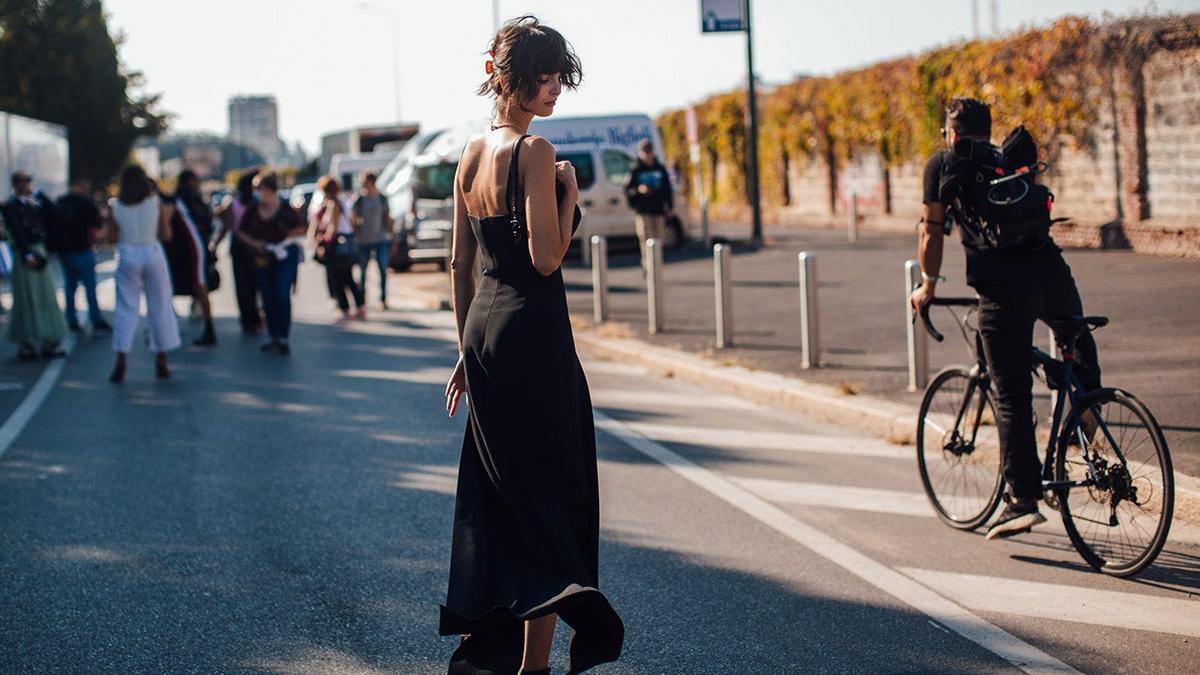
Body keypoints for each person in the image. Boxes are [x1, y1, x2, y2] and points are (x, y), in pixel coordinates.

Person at [441, 15, 623, 675]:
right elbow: (547, 258)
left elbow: (458, 263)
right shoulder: (536, 154)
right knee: (550, 497)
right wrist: (569, 197)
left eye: (558, 78)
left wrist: (465, 348)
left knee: (507, 495)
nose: (554, 90)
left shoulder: (469, 153)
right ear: (512, 78)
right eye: (545, 77)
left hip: (486, 335)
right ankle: (533, 668)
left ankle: (508, 650)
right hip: (535, 340)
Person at [910, 97, 1102, 540]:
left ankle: (1021, 499)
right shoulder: (1006, 161)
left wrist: (928, 286)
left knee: (1011, 392)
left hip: (1002, 288)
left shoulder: (942, 164)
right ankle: (1088, 408)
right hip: (1052, 272)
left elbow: (930, 231)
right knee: (1073, 341)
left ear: (952, 134)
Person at [107, 165, 181, 382]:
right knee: (160, 306)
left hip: (128, 252)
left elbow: (110, 239)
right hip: (152, 251)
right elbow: (167, 235)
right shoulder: (155, 203)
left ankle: (121, 358)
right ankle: (162, 358)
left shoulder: (115, 205)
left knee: (125, 308)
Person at [0, 171, 68, 360]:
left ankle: (49, 340)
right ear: (15, 185)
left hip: (40, 249)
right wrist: (26, 253)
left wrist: (40, 196)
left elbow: (57, 216)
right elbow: (15, 231)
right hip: (26, 253)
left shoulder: (36, 202)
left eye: (29, 182)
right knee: (27, 297)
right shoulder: (10, 206)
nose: (26, 186)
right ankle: (26, 343)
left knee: (45, 295)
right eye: (23, 182)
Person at [236, 172, 305, 355]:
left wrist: (283, 238)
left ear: (268, 189)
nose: (257, 193)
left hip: (284, 254)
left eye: (259, 189)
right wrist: (256, 244)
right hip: (263, 256)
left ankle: (283, 337)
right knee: (267, 295)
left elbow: (300, 229)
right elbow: (241, 232)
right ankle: (273, 336)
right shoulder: (252, 210)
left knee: (282, 292)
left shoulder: (286, 209)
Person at [51, 178, 112, 334]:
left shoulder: (61, 202)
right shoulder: (85, 203)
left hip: (65, 251)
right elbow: (98, 222)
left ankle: (71, 320)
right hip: (82, 249)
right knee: (89, 287)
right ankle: (95, 320)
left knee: (70, 287)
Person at [167, 170, 217, 346]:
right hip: (192, 248)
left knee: (194, 285)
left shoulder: (181, 200)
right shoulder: (186, 200)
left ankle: (206, 328)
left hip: (185, 249)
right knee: (197, 285)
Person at [213, 169, 263, 335]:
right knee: (257, 283)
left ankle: (248, 320)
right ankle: (258, 318)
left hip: (239, 246)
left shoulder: (232, 201)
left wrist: (215, 245)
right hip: (256, 245)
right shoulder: (257, 202)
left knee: (243, 285)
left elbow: (226, 227)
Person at [313, 176, 364, 321]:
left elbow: (333, 228)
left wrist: (323, 243)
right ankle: (360, 305)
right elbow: (353, 223)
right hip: (348, 243)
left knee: (337, 278)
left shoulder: (333, 204)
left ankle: (345, 308)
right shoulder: (344, 202)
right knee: (348, 277)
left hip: (337, 246)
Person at [624, 138, 673, 277]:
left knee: (659, 240)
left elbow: (667, 190)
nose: (647, 155)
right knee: (646, 240)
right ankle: (648, 266)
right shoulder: (635, 169)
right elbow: (628, 190)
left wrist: (669, 207)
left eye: (649, 152)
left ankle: (656, 267)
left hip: (658, 210)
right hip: (643, 211)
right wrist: (638, 190)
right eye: (644, 152)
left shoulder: (660, 168)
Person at [352, 172, 393, 309]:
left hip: (380, 238)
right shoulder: (359, 199)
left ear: (371, 182)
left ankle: (382, 299)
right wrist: (356, 232)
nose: (363, 185)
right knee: (363, 271)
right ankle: (361, 300)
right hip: (363, 241)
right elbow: (353, 217)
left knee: (382, 269)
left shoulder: (381, 198)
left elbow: (387, 217)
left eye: (364, 182)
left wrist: (392, 235)